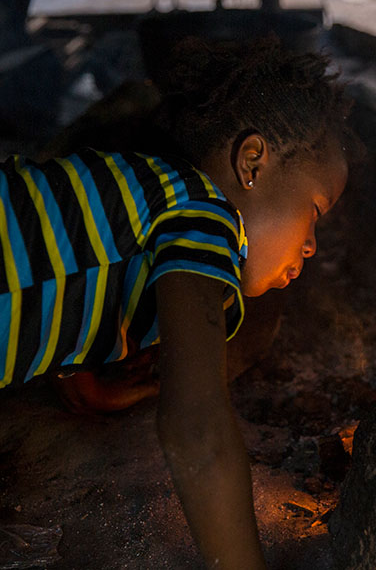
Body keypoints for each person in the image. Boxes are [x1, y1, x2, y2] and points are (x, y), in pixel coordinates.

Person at [0, 37, 353, 569]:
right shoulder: (203, 215)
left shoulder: (147, 191)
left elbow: (53, 257)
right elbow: (197, 429)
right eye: (316, 210)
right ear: (252, 161)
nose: (311, 244)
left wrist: (80, 375)